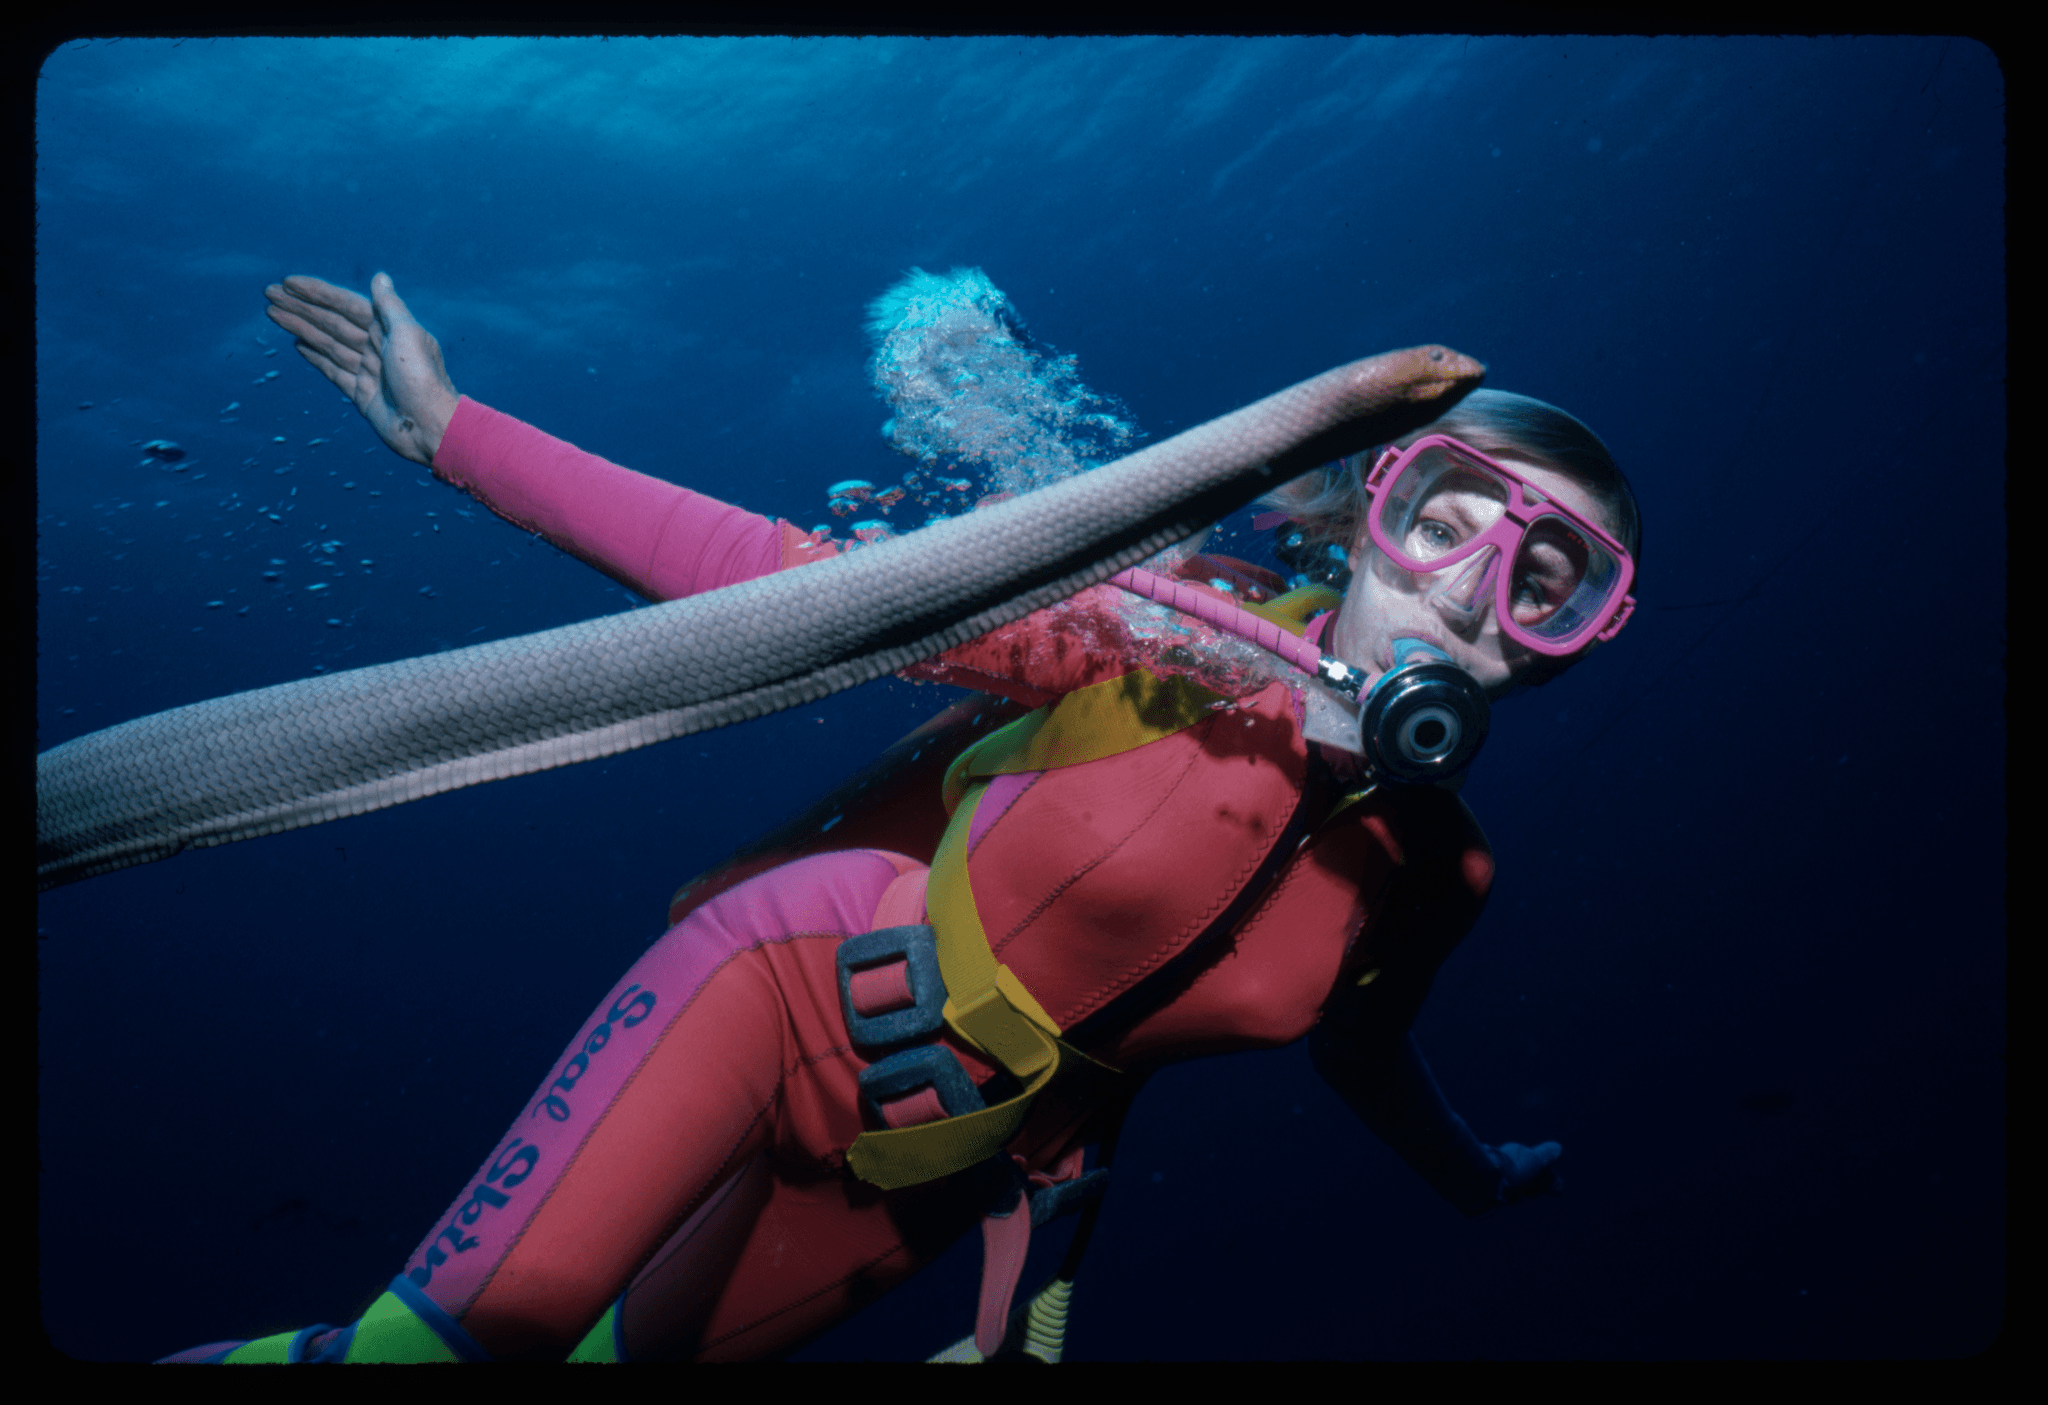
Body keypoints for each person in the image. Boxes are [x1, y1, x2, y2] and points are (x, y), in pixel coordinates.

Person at [163, 272, 1638, 1364]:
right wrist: (454, 435)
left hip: (941, 1182)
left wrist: (1476, 1176)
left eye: (1545, 578)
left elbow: (1369, 1054)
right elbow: (792, 589)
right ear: (1365, 514)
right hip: (790, 994)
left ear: (1566, 641)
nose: (1463, 588)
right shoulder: (1167, 634)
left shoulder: (1442, 874)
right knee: (437, 1365)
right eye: (1445, 520)